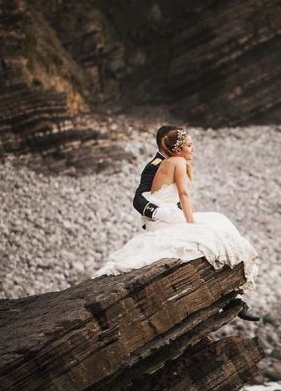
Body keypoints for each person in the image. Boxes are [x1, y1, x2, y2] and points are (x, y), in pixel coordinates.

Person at [95, 127, 263, 320]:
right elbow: (139, 198)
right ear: (171, 145)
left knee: (217, 231)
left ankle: (233, 296)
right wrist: (158, 213)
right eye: (185, 143)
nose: (191, 147)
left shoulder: (172, 161)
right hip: (164, 219)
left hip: (174, 215)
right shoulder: (155, 164)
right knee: (212, 236)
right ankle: (233, 299)